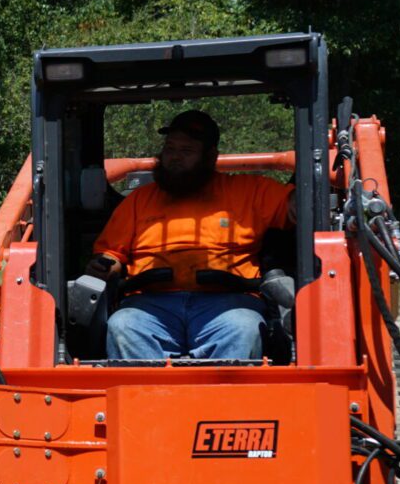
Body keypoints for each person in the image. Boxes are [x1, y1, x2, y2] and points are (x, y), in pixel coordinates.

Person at [86, 109, 294, 361]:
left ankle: (224, 399)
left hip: (229, 302)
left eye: (186, 151)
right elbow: (111, 253)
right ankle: (147, 399)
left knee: (243, 328)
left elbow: (296, 207)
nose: (174, 157)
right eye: (170, 148)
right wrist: (104, 266)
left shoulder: (249, 191)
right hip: (150, 303)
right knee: (123, 326)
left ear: (210, 157)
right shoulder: (139, 200)